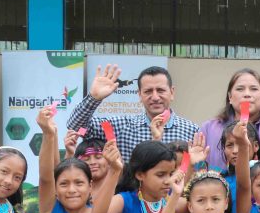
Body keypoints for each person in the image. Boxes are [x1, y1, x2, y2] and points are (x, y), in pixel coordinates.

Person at [68, 65, 200, 162]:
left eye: (160, 90)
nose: (155, 97)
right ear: (139, 95)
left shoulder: (192, 130)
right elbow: (76, 128)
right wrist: (93, 98)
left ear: (172, 92)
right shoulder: (121, 126)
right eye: (148, 91)